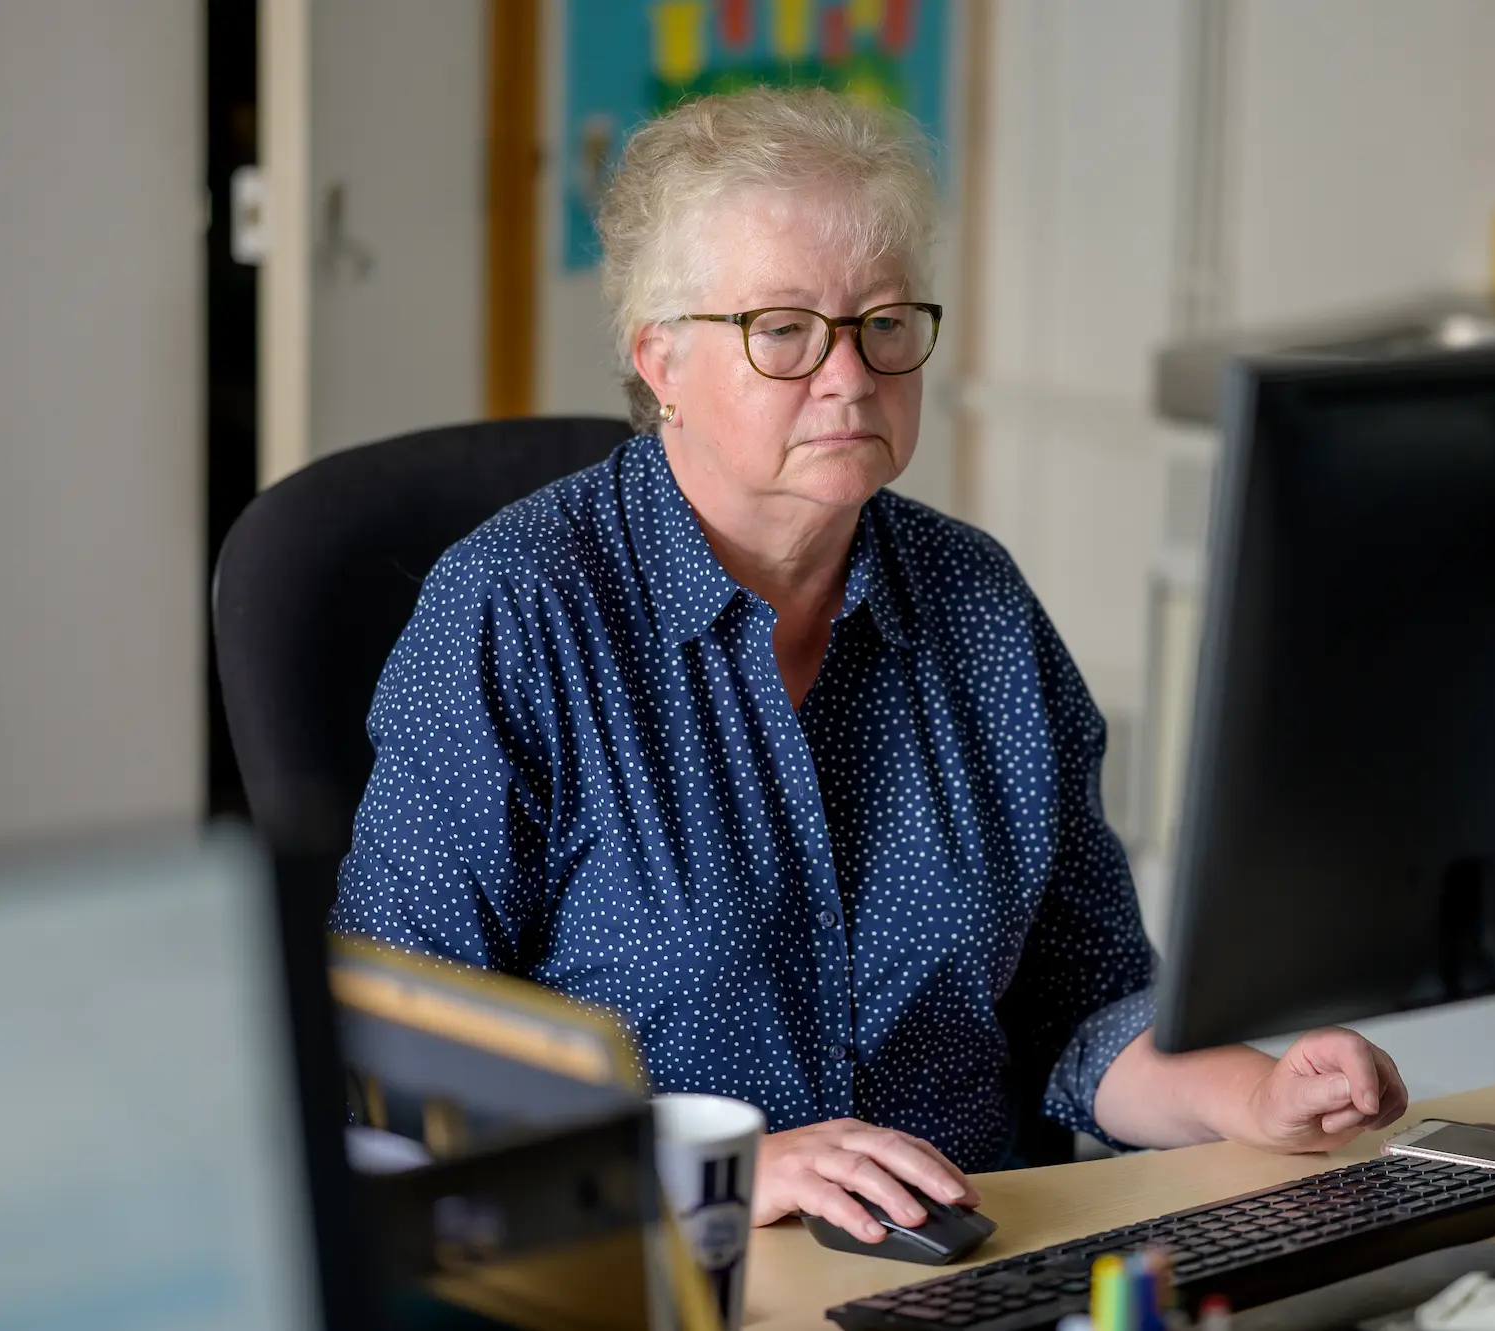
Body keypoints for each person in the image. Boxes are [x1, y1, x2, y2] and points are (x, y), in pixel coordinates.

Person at [333, 87, 1407, 1246]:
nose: (848, 377)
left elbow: (1081, 1008)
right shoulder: (516, 611)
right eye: (782, 329)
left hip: (972, 1258)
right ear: (662, 361)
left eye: (884, 323)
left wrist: (1254, 1094)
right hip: (655, 1266)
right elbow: (393, 1058)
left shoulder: (977, 604)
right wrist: (727, 1167)